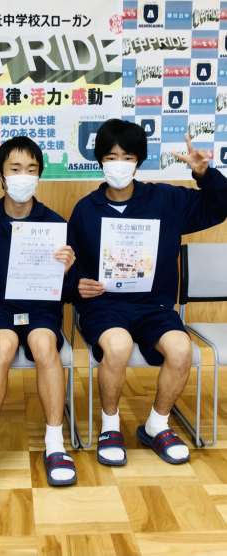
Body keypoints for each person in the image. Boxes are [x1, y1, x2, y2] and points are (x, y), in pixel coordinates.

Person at [68, 118, 227, 467]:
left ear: (138, 161)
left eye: (127, 157)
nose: (119, 165)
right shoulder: (85, 210)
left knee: (181, 349)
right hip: (104, 307)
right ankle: (110, 427)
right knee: (118, 346)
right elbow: (69, 265)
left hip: (154, 307)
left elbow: (220, 206)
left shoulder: (166, 199)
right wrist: (77, 283)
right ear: (100, 161)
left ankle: (157, 425)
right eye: (111, 157)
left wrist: (205, 174)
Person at [0, 136, 77, 494]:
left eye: (31, 170)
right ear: (0, 175)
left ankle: (55, 443)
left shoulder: (53, 223)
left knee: (44, 344)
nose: (24, 176)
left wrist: (68, 269)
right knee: (4, 344)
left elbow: (67, 291)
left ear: (39, 176)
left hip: (40, 307)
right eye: (15, 169)